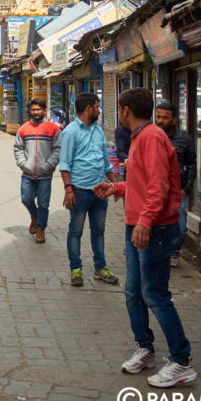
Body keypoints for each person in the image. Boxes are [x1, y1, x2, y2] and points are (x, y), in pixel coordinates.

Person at [94, 88, 196, 388]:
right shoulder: (140, 137)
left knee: (154, 294)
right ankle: (146, 348)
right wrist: (118, 188)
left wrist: (145, 222)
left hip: (154, 229)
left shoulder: (150, 137)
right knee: (133, 292)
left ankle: (181, 360)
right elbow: (143, 183)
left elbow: (160, 187)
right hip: (137, 224)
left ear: (125, 109)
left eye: (119, 107)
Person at [58, 93, 119, 287]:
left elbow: (106, 163)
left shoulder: (99, 132)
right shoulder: (70, 132)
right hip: (79, 192)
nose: (99, 110)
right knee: (75, 232)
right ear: (88, 109)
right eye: (97, 106)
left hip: (100, 191)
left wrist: (115, 185)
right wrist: (68, 190)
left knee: (98, 232)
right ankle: (76, 269)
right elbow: (65, 164)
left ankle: (100, 268)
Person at [13, 99, 62, 244]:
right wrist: (22, 163)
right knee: (26, 199)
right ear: (30, 112)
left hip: (45, 175)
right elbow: (18, 148)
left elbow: (58, 149)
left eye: (39, 109)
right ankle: (34, 217)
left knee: (43, 203)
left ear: (44, 110)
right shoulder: (23, 129)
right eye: (33, 110)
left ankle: (40, 229)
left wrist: (49, 164)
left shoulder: (53, 128)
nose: (36, 112)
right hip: (27, 173)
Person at [155, 103, 197, 267]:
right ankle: (161, 253)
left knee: (180, 229)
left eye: (165, 117)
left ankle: (174, 251)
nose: (160, 121)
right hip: (157, 190)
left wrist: (187, 188)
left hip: (177, 191)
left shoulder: (184, 139)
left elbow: (192, 164)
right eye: (158, 116)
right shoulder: (152, 136)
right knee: (156, 226)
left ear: (173, 119)